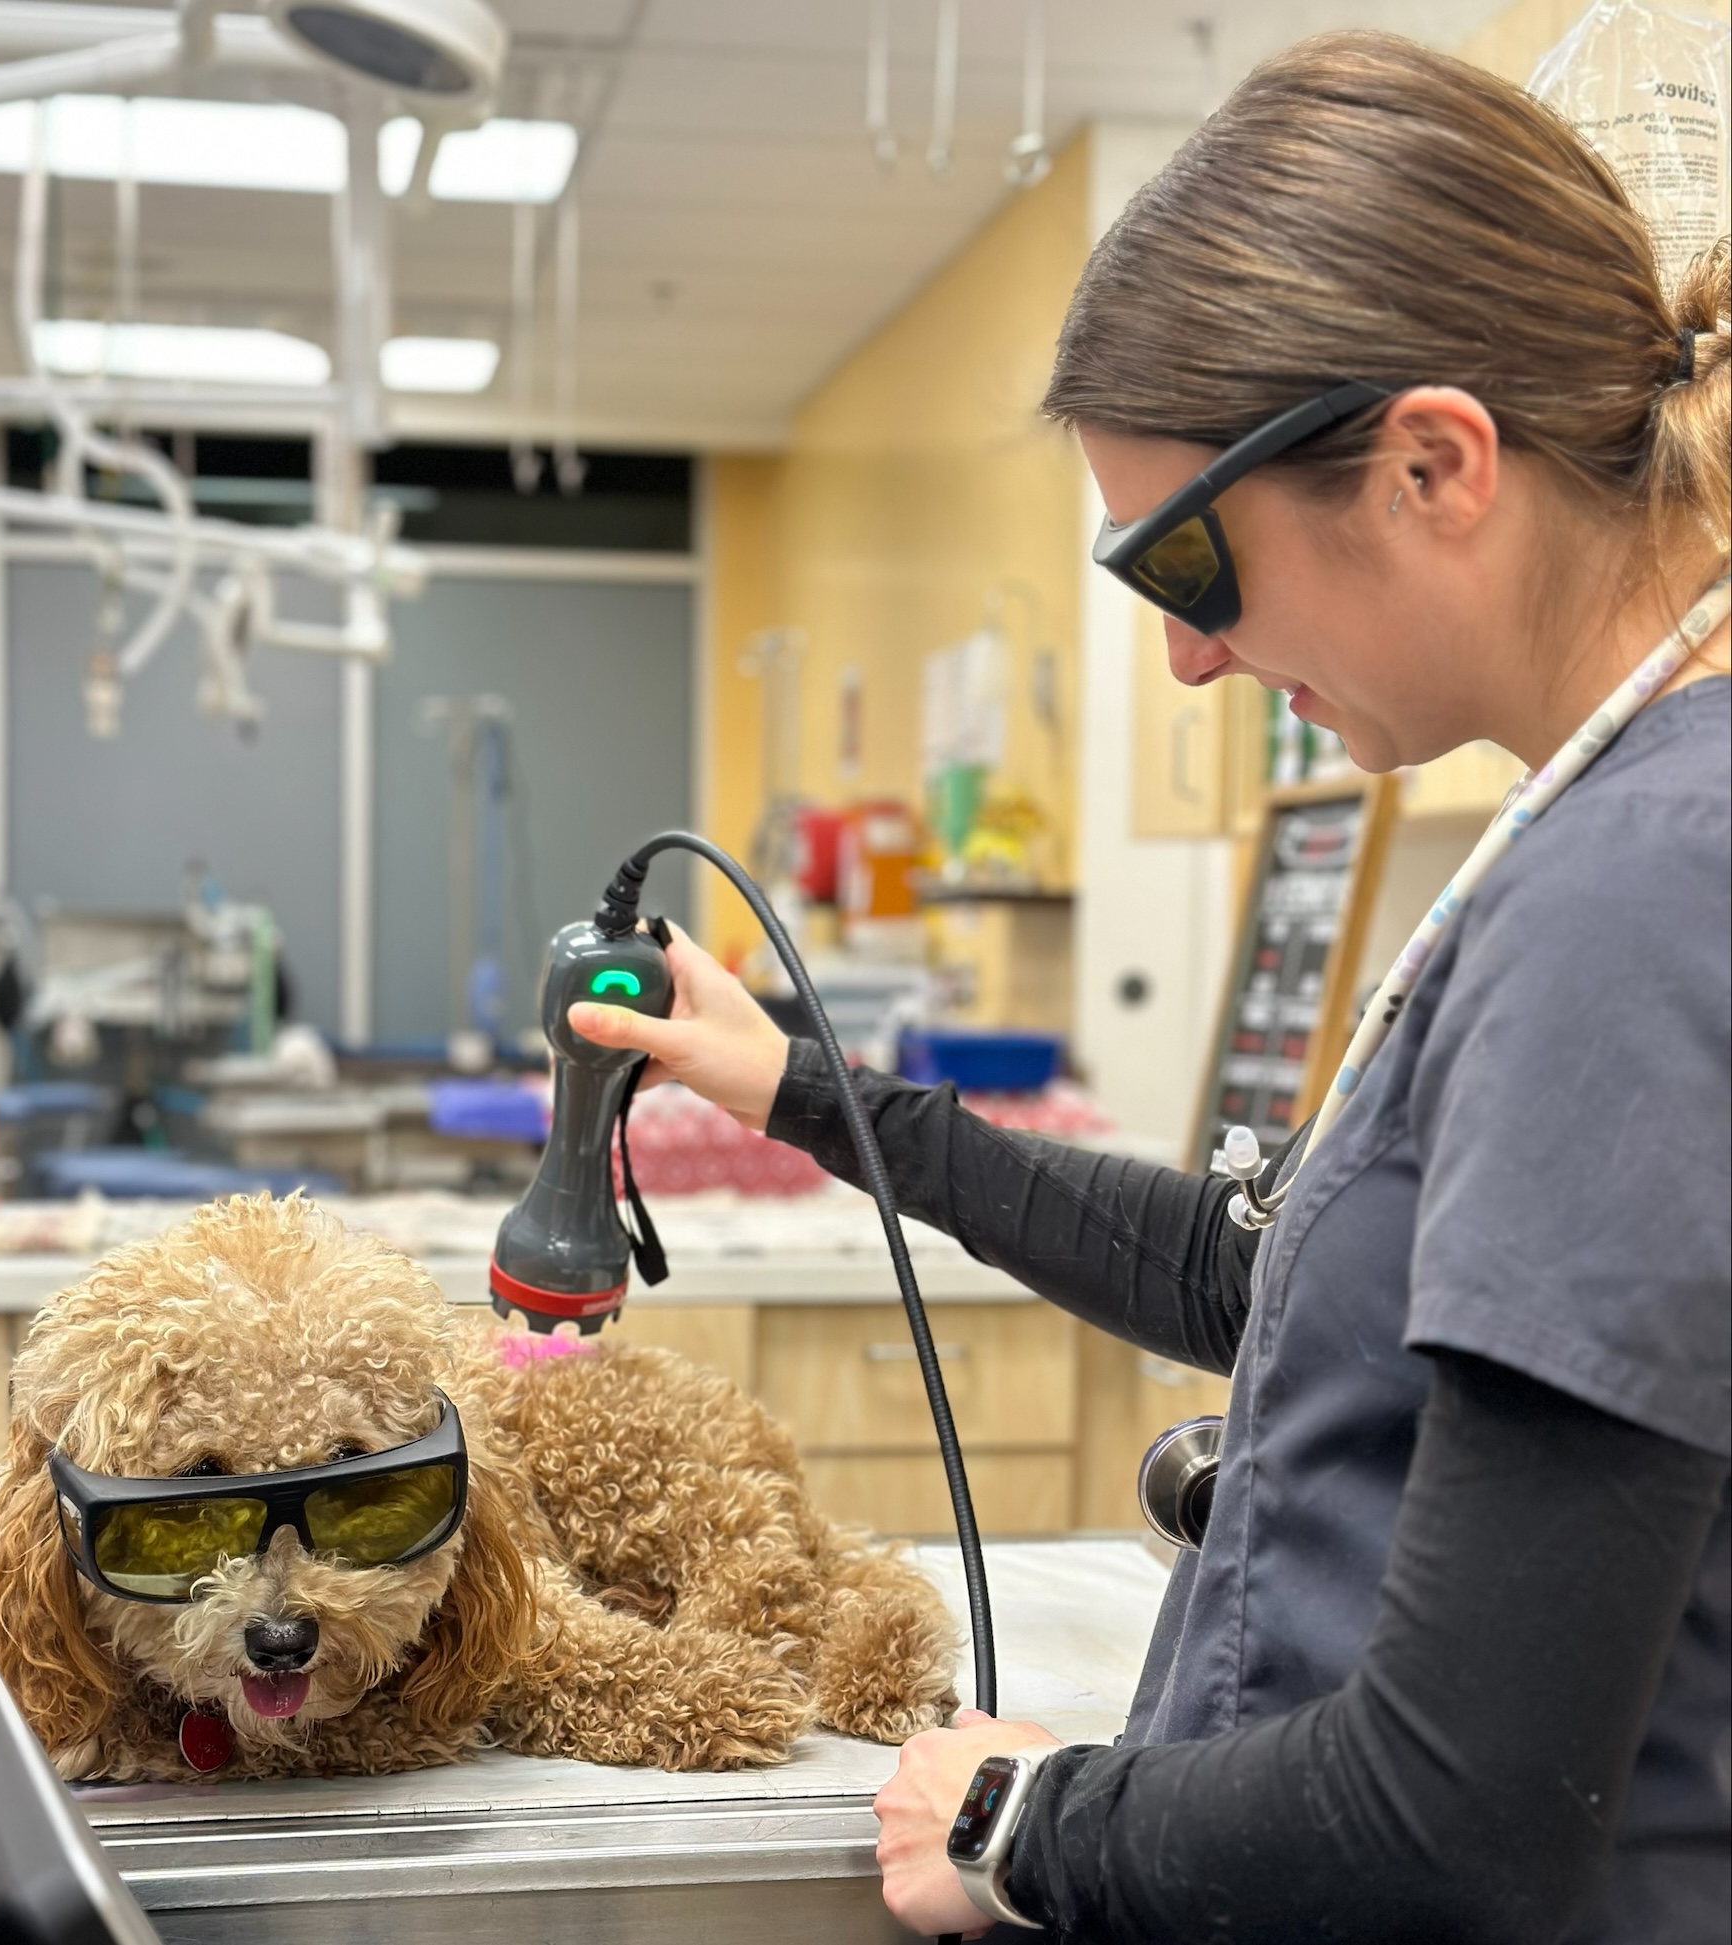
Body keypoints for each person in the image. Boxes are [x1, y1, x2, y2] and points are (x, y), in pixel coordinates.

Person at [568, 31, 1730, 1944]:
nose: (1191, 661)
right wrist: (788, 1082)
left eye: (1193, 565)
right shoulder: (1602, 836)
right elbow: (1251, 1273)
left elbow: (1462, 1810)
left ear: (1435, 463)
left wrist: (1035, 1821)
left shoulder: (1634, 893)